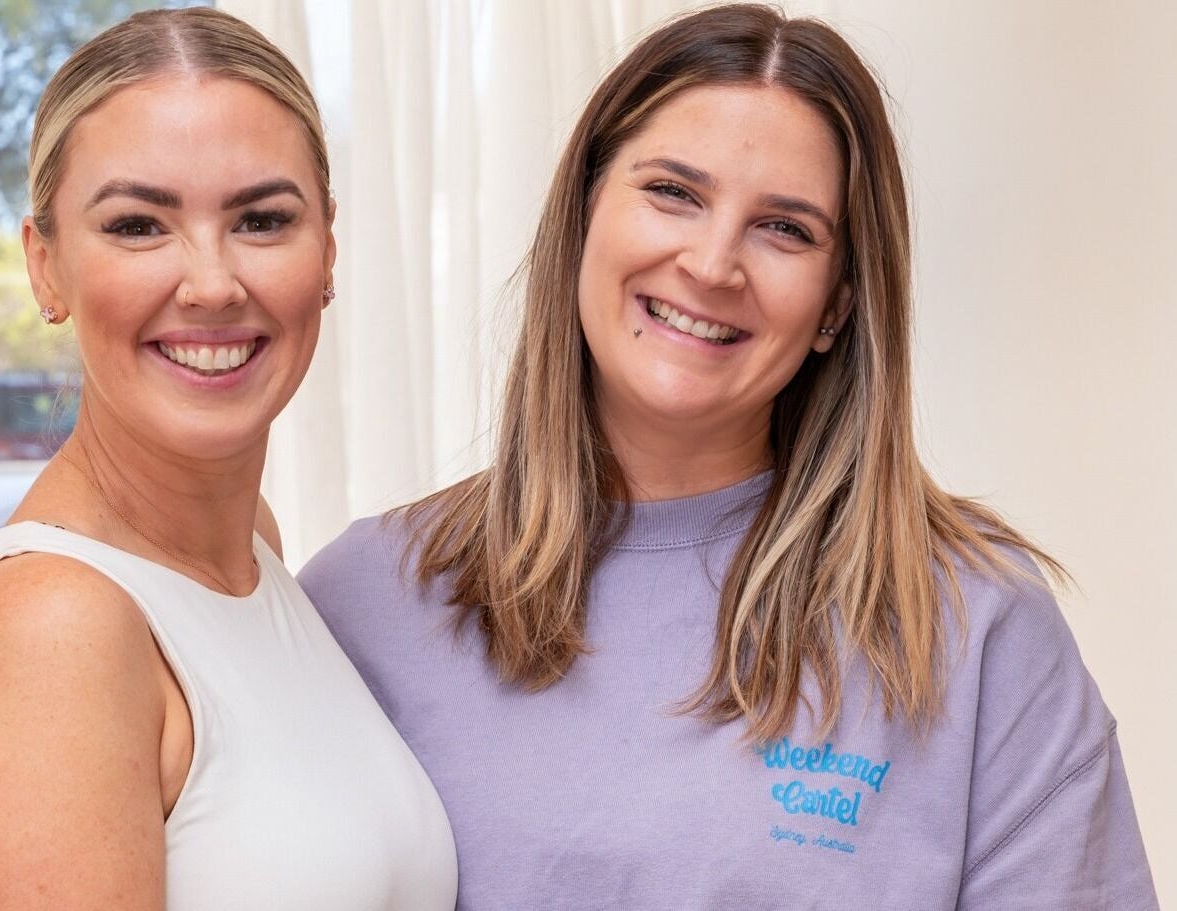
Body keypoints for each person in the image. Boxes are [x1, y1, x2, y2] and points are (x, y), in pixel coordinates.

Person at [299, 4, 1158, 908]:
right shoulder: (366, 601)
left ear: (836, 305)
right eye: (673, 192)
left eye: (785, 228)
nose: (712, 265)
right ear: (584, 213)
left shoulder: (971, 624)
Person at [0, 9, 456, 910]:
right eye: (137, 225)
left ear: (327, 248)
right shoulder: (49, 625)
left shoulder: (251, 545)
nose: (211, 283)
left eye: (262, 219)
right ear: (45, 266)